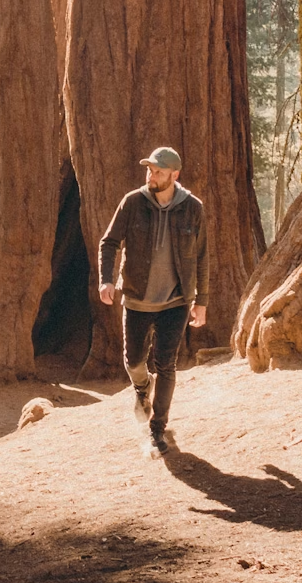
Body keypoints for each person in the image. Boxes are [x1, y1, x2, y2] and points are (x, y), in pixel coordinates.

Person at [98, 146, 208, 454]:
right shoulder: (133, 202)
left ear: (175, 175)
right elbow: (109, 242)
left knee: (166, 364)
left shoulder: (193, 208)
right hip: (136, 298)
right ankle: (141, 387)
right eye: (150, 170)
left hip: (176, 301)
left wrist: (201, 301)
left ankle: (157, 428)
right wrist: (106, 279)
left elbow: (202, 257)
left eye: (158, 171)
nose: (152, 175)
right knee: (134, 361)